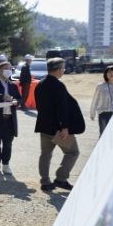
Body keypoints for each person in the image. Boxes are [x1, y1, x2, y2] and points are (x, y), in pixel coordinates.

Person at [34, 57, 85, 192]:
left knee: (45, 155)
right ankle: (61, 179)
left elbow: (39, 106)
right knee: (73, 152)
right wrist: (64, 127)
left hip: (44, 127)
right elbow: (61, 108)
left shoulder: (40, 84)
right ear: (58, 69)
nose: (63, 70)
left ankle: (45, 182)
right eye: (63, 68)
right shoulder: (58, 85)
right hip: (58, 129)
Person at [90, 65, 113, 136]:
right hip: (103, 114)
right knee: (103, 134)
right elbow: (95, 100)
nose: (112, 74)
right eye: (109, 72)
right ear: (105, 74)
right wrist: (92, 113)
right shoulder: (100, 86)